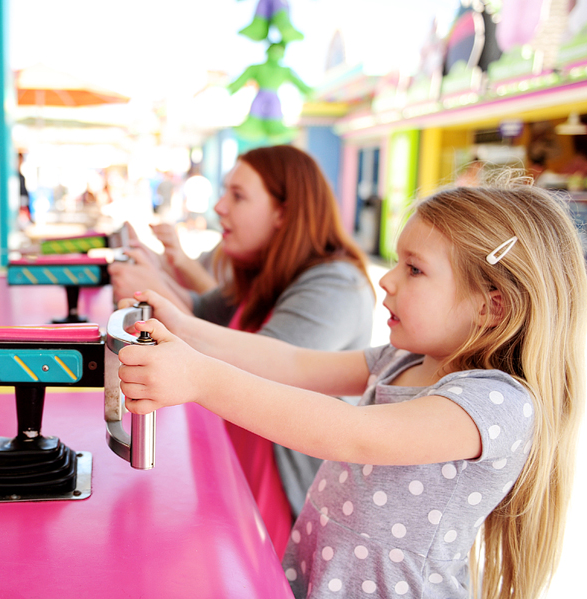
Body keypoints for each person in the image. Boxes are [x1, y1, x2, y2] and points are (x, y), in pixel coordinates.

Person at [118, 183, 586, 599]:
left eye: (414, 269)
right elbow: (293, 362)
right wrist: (187, 329)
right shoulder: (400, 360)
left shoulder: (494, 403)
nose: (386, 278)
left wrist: (200, 378)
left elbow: (350, 432)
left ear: (491, 306)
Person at [110, 145, 375, 558]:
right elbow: (200, 314)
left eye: (238, 195)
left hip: (284, 488)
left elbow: (273, 365)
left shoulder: (337, 284)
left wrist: (157, 287)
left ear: (283, 213)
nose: (219, 207)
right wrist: (157, 283)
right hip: (234, 466)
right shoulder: (260, 271)